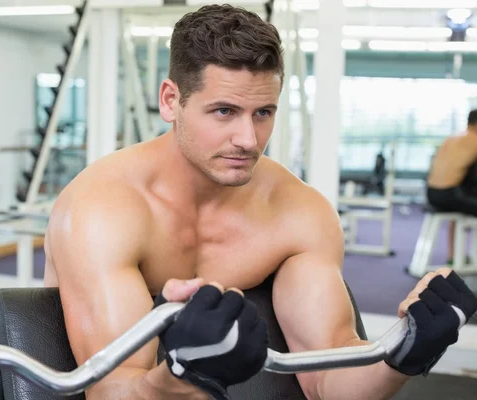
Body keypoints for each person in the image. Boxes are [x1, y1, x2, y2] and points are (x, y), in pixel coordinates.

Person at [44, 5, 477, 400]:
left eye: (263, 113)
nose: (248, 141)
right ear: (171, 101)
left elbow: (329, 381)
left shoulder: (297, 214)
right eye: (224, 112)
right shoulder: (101, 210)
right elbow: (110, 392)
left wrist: (404, 351)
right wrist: (181, 377)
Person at [427, 110, 477, 263]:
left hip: (431, 193)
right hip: (450, 194)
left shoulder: (451, 139)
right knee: (462, 201)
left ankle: (452, 256)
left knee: (457, 211)